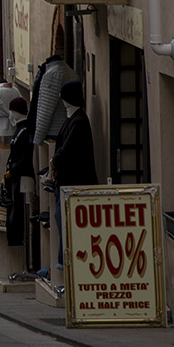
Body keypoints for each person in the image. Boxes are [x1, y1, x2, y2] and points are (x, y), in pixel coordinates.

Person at [49, 79, 97, 268]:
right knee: (61, 219)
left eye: (64, 98)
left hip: (75, 183)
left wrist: (54, 162)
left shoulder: (78, 122)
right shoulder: (73, 120)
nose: (62, 101)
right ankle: (63, 260)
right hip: (67, 182)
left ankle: (65, 262)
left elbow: (66, 150)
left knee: (65, 221)